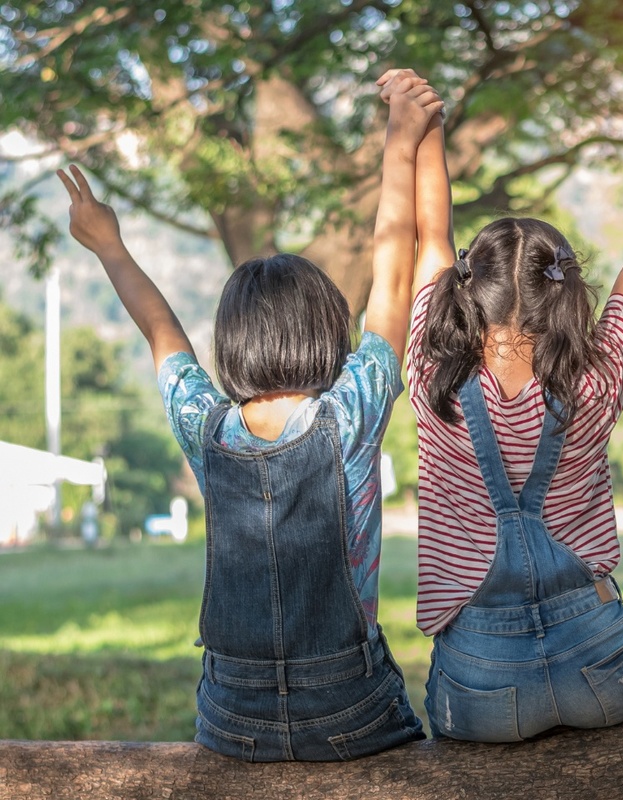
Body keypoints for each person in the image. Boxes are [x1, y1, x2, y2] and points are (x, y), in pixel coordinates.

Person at [54, 72, 443, 761]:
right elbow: (392, 270)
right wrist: (400, 138)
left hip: (233, 718)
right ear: (328, 332)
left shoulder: (208, 432)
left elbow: (161, 332)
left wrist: (109, 246)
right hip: (348, 708)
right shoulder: (350, 415)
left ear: (233, 342)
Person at [397, 72, 623, 740]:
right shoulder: (596, 376)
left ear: (468, 292)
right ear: (566, 295)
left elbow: (430, 233)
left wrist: (428, 127)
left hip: (481, 678)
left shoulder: (429, 372)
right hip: (599, 665)